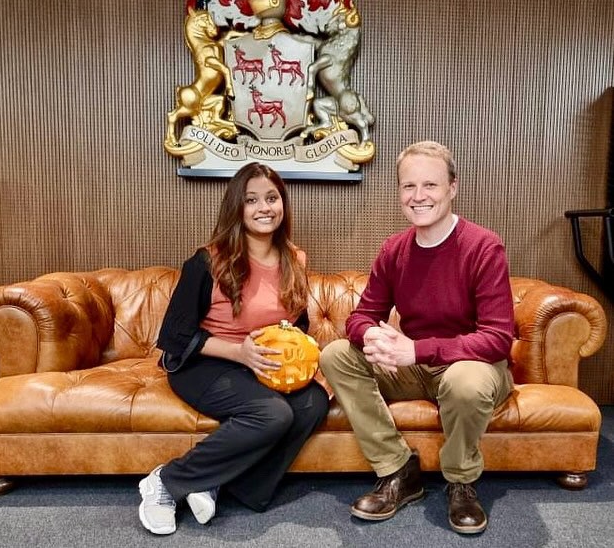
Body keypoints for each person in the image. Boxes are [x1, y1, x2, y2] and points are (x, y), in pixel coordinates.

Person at [319, 141, 514, 535]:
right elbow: (359, 316)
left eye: (430, 185)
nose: (418, 196)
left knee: (465, 381)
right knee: (337, 354)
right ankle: (397, 470)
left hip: (471, 367)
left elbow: (497, 339)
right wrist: (371, 333)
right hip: (414, 366)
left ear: (452, 188)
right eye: (408, 187)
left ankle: (461, 481)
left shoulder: (483, 246)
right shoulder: (395, 249)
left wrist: (416, 349)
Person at [138, 162, 329, 535]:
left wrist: (296, 347)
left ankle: (227, 482)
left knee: (314, 403)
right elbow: (174, 336)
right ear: (237, 208)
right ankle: (167, 481)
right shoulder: (208, 260)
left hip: (260, 367)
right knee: (273, 414)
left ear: (283, 204)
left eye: (272, 198)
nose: (264, 208)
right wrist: (239, 353)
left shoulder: (295, 258)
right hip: (204, 364)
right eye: (252, 200)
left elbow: (299, 321)